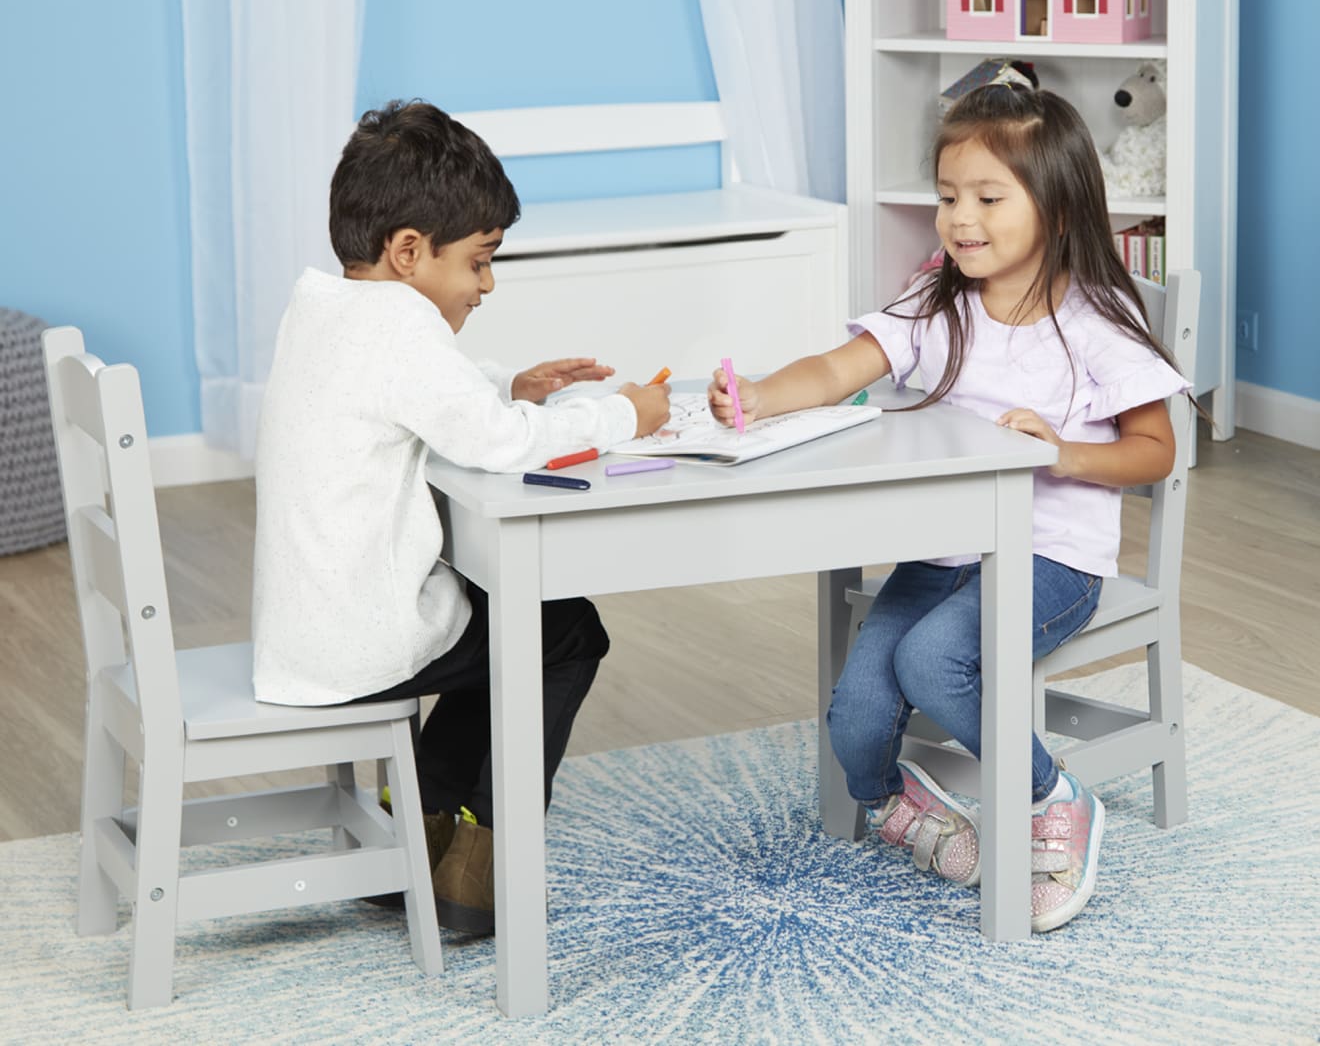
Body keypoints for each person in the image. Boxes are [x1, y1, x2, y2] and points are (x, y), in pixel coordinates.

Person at [708, 82, 1190, 932]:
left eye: (988, 197)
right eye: (947, 197)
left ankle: (1054, 798)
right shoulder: (937, 306)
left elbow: (1158, 451)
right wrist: (758, 395)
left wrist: (1062, 452)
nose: (960, 217)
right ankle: (903, 808)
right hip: (942, 553)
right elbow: (833, 371)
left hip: (1053, 556)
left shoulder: (1096, 325)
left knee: (932, 662)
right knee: (854, 712)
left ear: (1060, 208)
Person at [252, 99, 670, 936]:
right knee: (565, 632)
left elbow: (414, 399)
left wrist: (505, 386)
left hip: (307, 625)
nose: (487, 285)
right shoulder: (403, 334)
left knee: (521, 629)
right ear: (410, 252)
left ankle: (422, 821)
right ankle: (481, 863)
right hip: (360, 637)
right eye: (479, 262)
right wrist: (627, 414)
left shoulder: (328, 307)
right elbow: (500, 446)